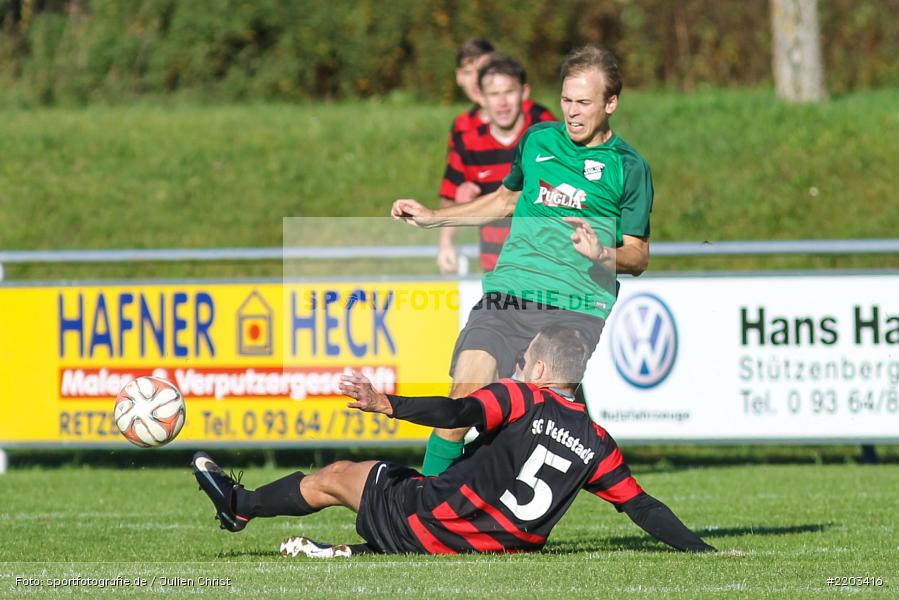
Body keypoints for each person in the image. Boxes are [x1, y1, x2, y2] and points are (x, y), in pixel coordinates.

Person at [191, 326, 714, 557]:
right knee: (416, 486)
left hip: (434, 526)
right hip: (499, 546)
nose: (517, 366)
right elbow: (643, 507)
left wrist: (388, 403)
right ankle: (349, 552)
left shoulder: (523, 396)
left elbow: (459, 411)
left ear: (540, 367)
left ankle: (239, 506)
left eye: (524, 359)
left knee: (340, 474)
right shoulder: (597, 441)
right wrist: (703, 550)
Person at [392, 44, 654, 476]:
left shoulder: (628, 167)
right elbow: (505, 199)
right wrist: (434, 218)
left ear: (611, 103)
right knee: (464, 396)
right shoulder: (538, 141)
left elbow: (638, 254)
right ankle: (423, 511)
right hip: (509, 291)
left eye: (584, 103)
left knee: (538, 429)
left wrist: (603, 253)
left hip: (572, 306)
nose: (571, 112)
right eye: (567, 100)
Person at [438, 40, 555, 274]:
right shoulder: (467, 137)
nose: (502, 102)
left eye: (509, 92)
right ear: (482, 97)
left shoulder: (545, 130)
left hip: (547, 267)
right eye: (494, 94)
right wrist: (446, 240)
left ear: (524, 92)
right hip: (497, 268)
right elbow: (453, 195)